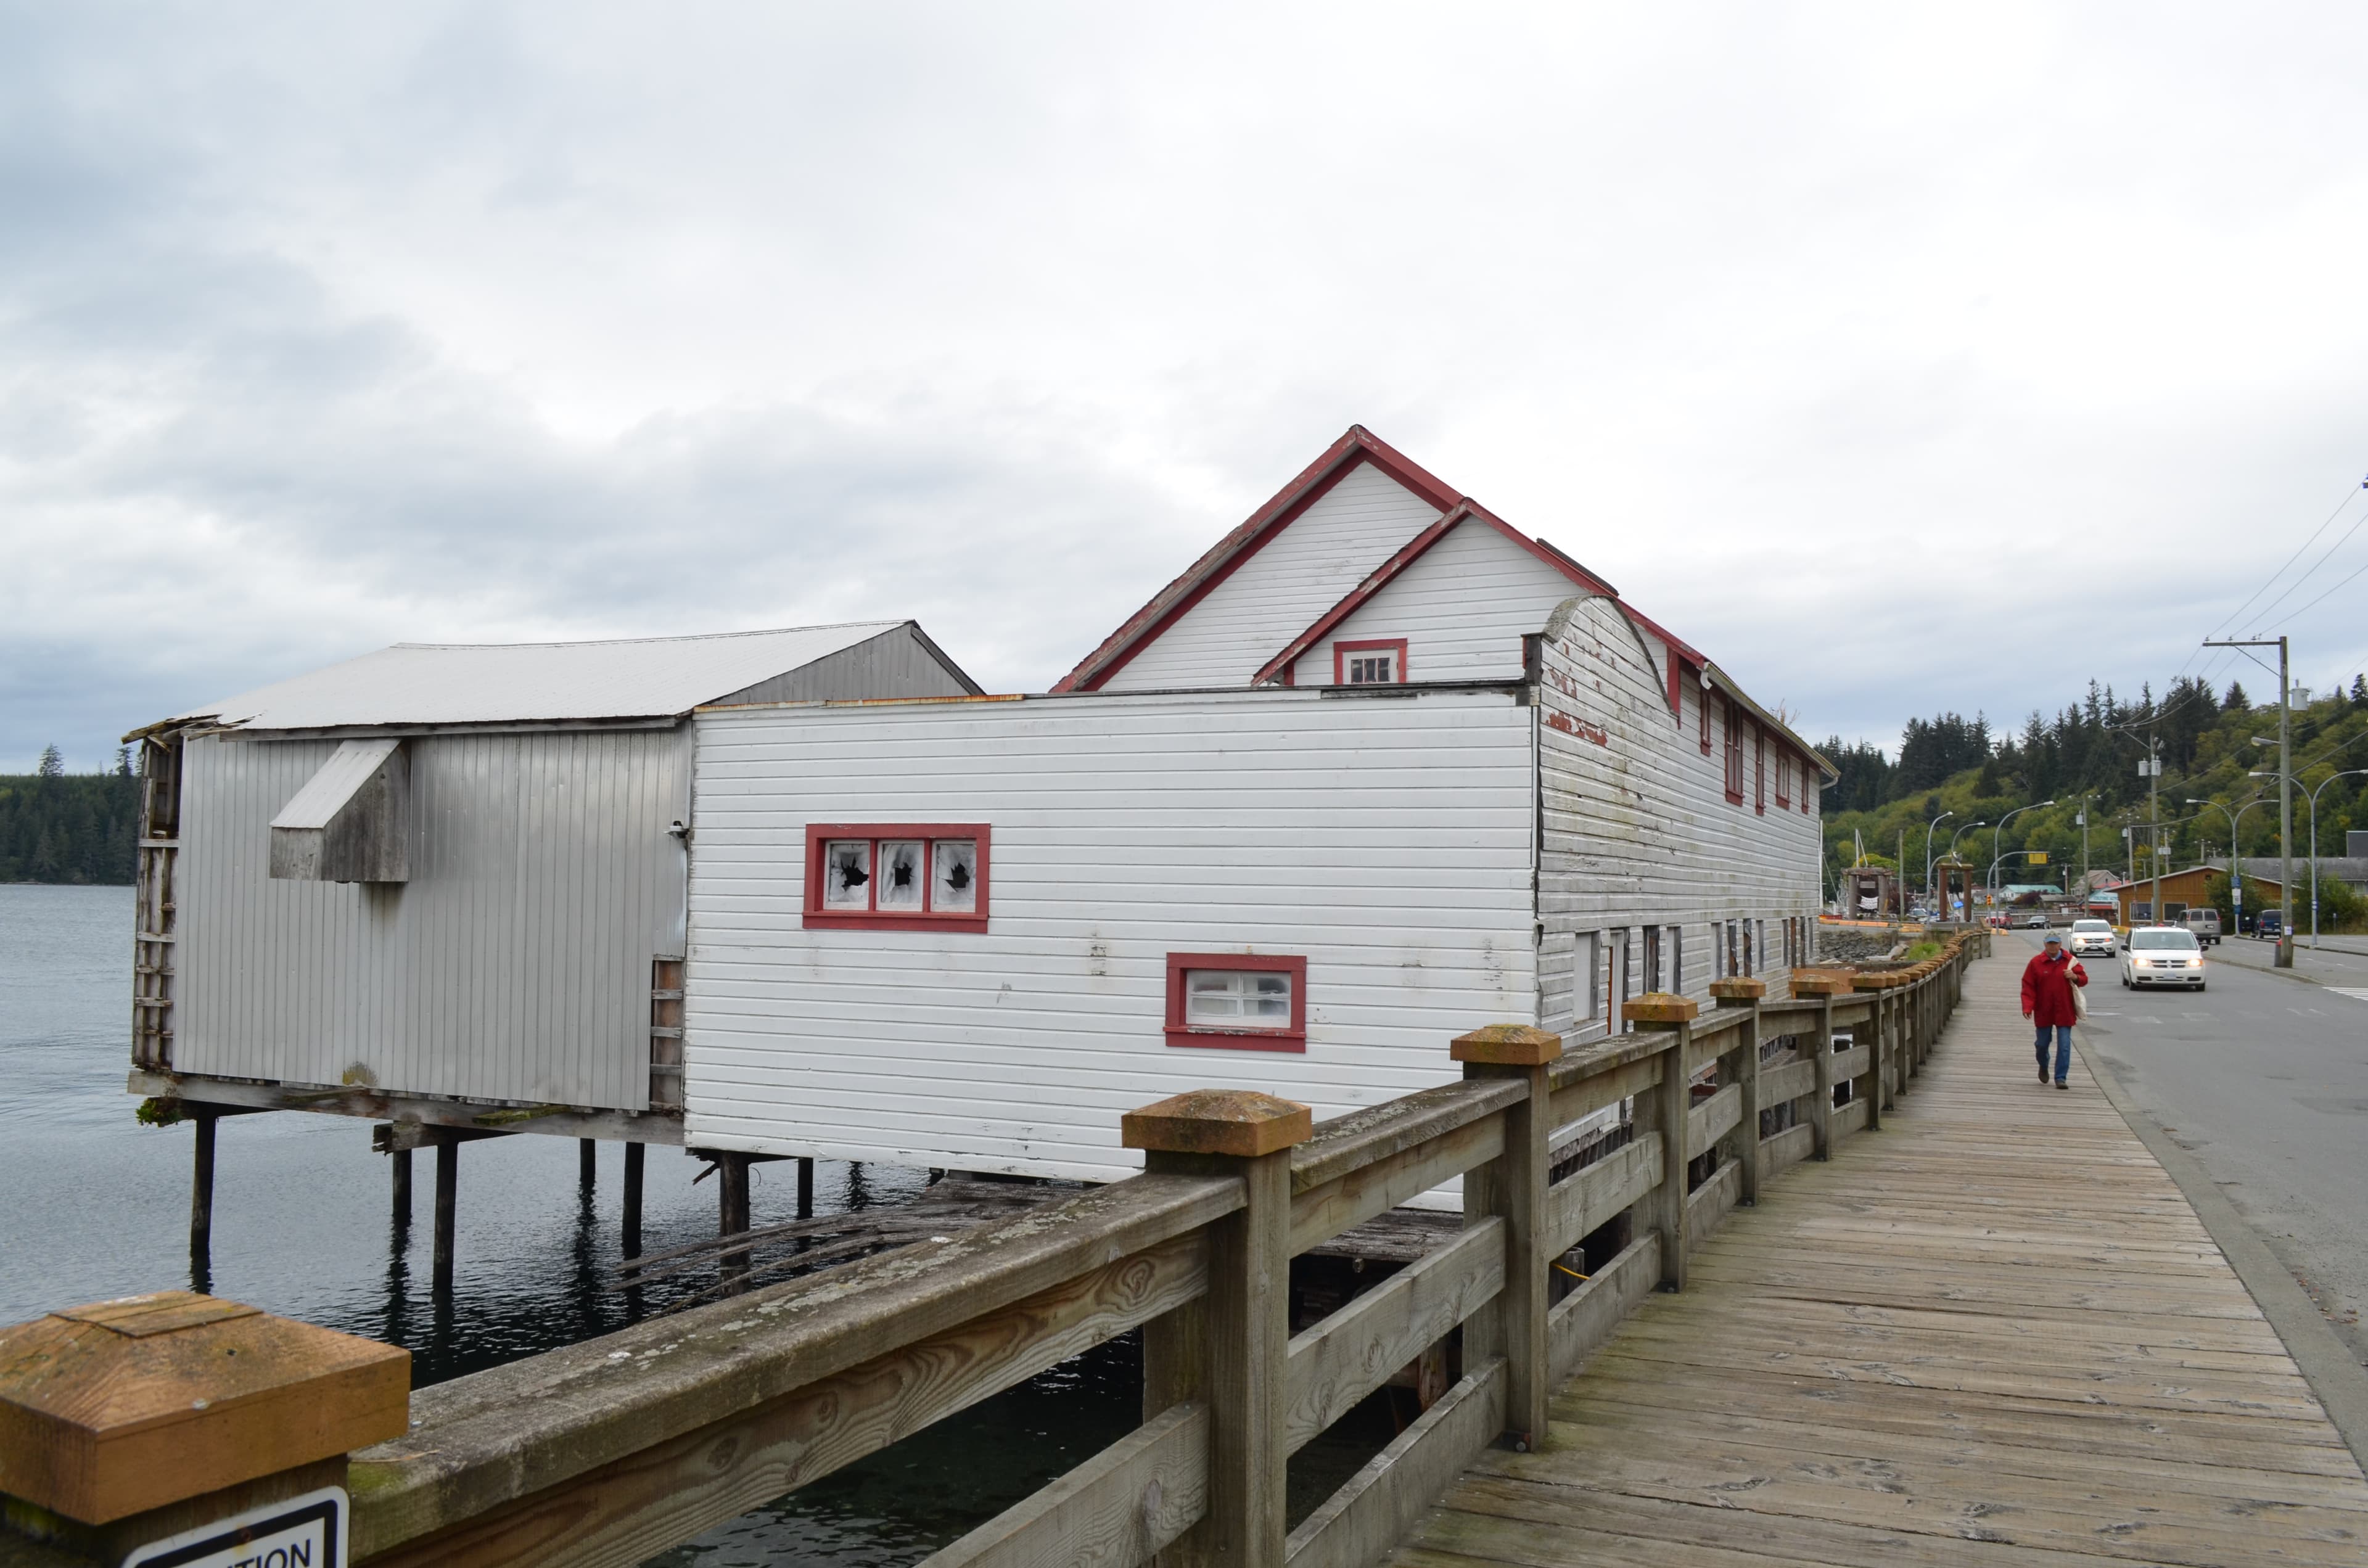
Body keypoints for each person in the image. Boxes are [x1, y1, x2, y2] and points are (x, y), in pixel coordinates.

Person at [2020, 932, 2087, 1089]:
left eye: (2055, 943)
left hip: (2065, 1009)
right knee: (2042, 1044)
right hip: (2044, 1010)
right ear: (2045, 944)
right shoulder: (2036, 963)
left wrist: (2075, 977)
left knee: (2064, 1045)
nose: (2053, 946)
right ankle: (2043, 1065)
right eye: (2050, 943)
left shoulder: (2071, 961)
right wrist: (2027, 1006)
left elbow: (2084, 979)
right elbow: (2028, 986)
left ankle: (2061, 1078)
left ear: (2060, 944)